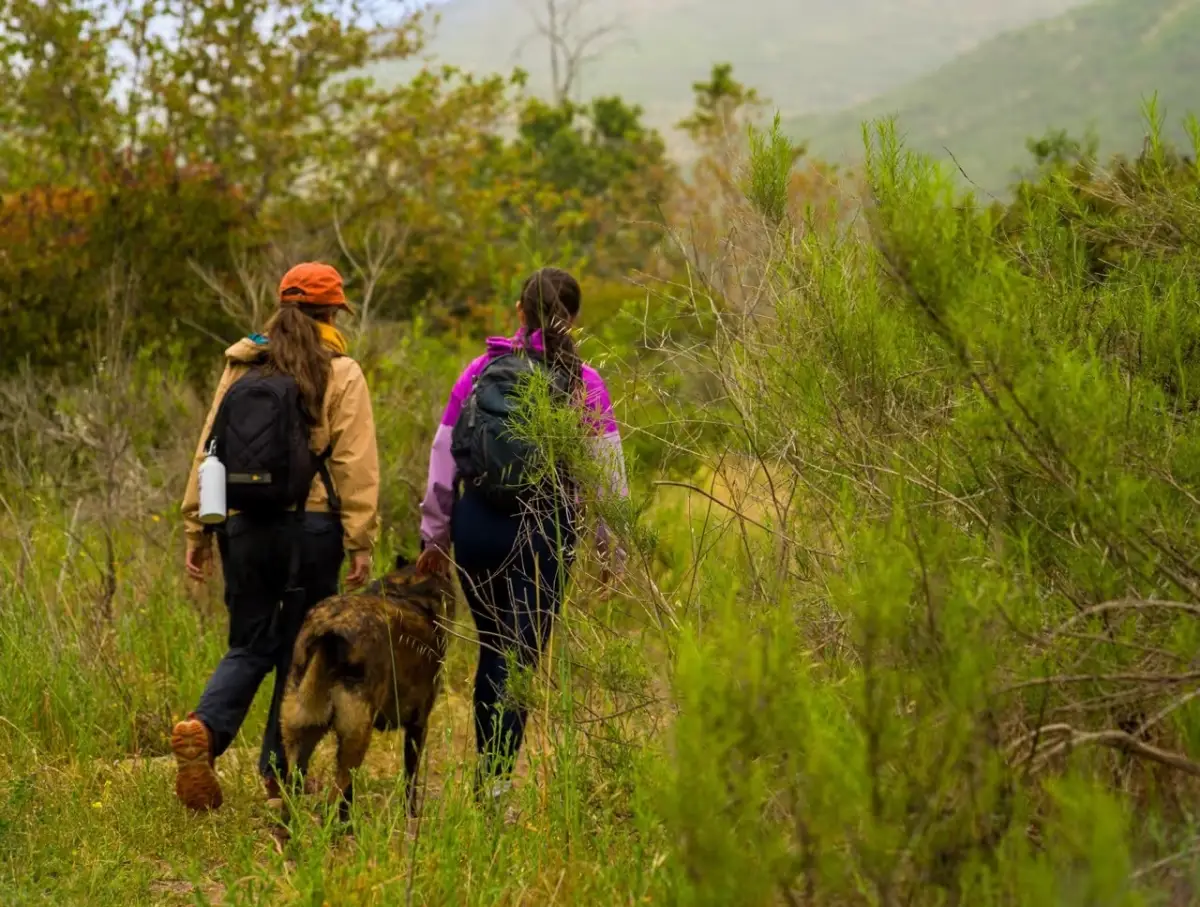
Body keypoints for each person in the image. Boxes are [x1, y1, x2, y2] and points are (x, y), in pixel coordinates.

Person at [172, 262, 380, 811]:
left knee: (248, 645)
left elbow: (207, 452)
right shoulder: (342, 371)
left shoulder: (243, 365)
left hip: (242, 526)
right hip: (311, 531)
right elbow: (356, 465)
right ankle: (279, 773)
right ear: (332, 311)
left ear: (282, 306)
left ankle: (205, 730)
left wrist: (198, 528)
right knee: (302, 655)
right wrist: (360, 541)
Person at [416, 266, 627, 796]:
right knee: (523, 654)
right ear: (572, 319)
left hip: (478, 525)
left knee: (493, 646)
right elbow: (607, 477)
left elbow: (444, 458)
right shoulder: (584, 382)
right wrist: (612, 550)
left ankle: (488, 777)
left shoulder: (479, 369)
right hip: (544, 528)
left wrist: (435, 536)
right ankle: (494, 785)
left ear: (518, 310)